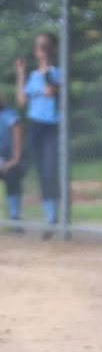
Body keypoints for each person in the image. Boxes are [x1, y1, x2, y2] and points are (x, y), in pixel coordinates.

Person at [15, 33, 61, 236]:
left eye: (45, 46)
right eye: (38, 46)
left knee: (50, 170)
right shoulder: (33, 76)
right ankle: (50, 217)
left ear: (52, 49)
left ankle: (56, 217)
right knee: (41, 173)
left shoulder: (56, 72)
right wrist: (21, 73)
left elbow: (51, 91)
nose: (40, 49)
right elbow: (22, 102)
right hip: (36, 126)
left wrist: (46, 65)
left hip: (51, 126)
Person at [0, 93, 26, 227]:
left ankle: (15, 218)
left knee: (12, 175)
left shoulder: (10, 115)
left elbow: (17, 136)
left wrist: (15, 159)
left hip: (10, 159)